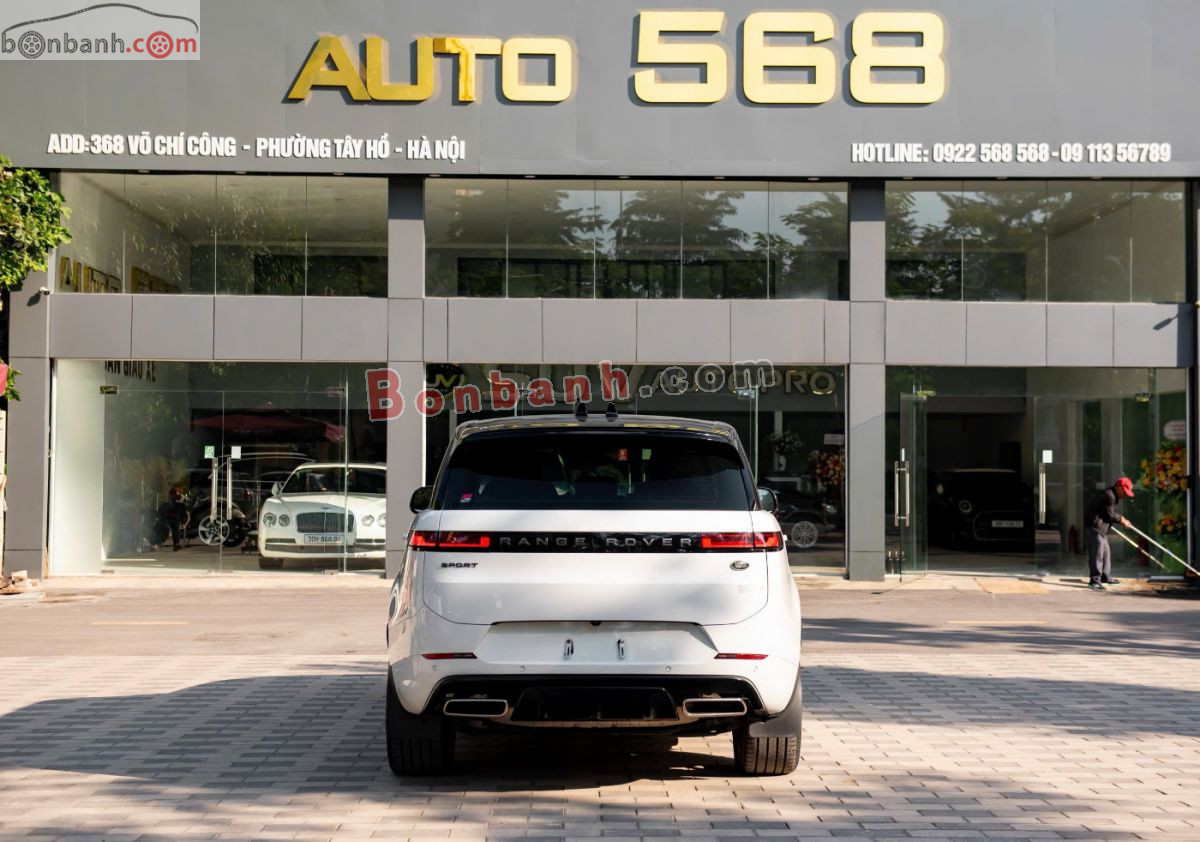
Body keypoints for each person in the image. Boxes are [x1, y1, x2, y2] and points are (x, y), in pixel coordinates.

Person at [1083, 476, 1134, 590]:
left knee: (1106, 552)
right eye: (1125, 492)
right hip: (1095, 526)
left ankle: (1105, 577)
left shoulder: (1113, 495)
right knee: (1097, 553)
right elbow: (1109, 515)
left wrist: (1121, 519)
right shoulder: (1109, 495)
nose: (1125, 495)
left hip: (1101, 528)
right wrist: (1122, 520)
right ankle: (1094, 580)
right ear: (1119, 487)